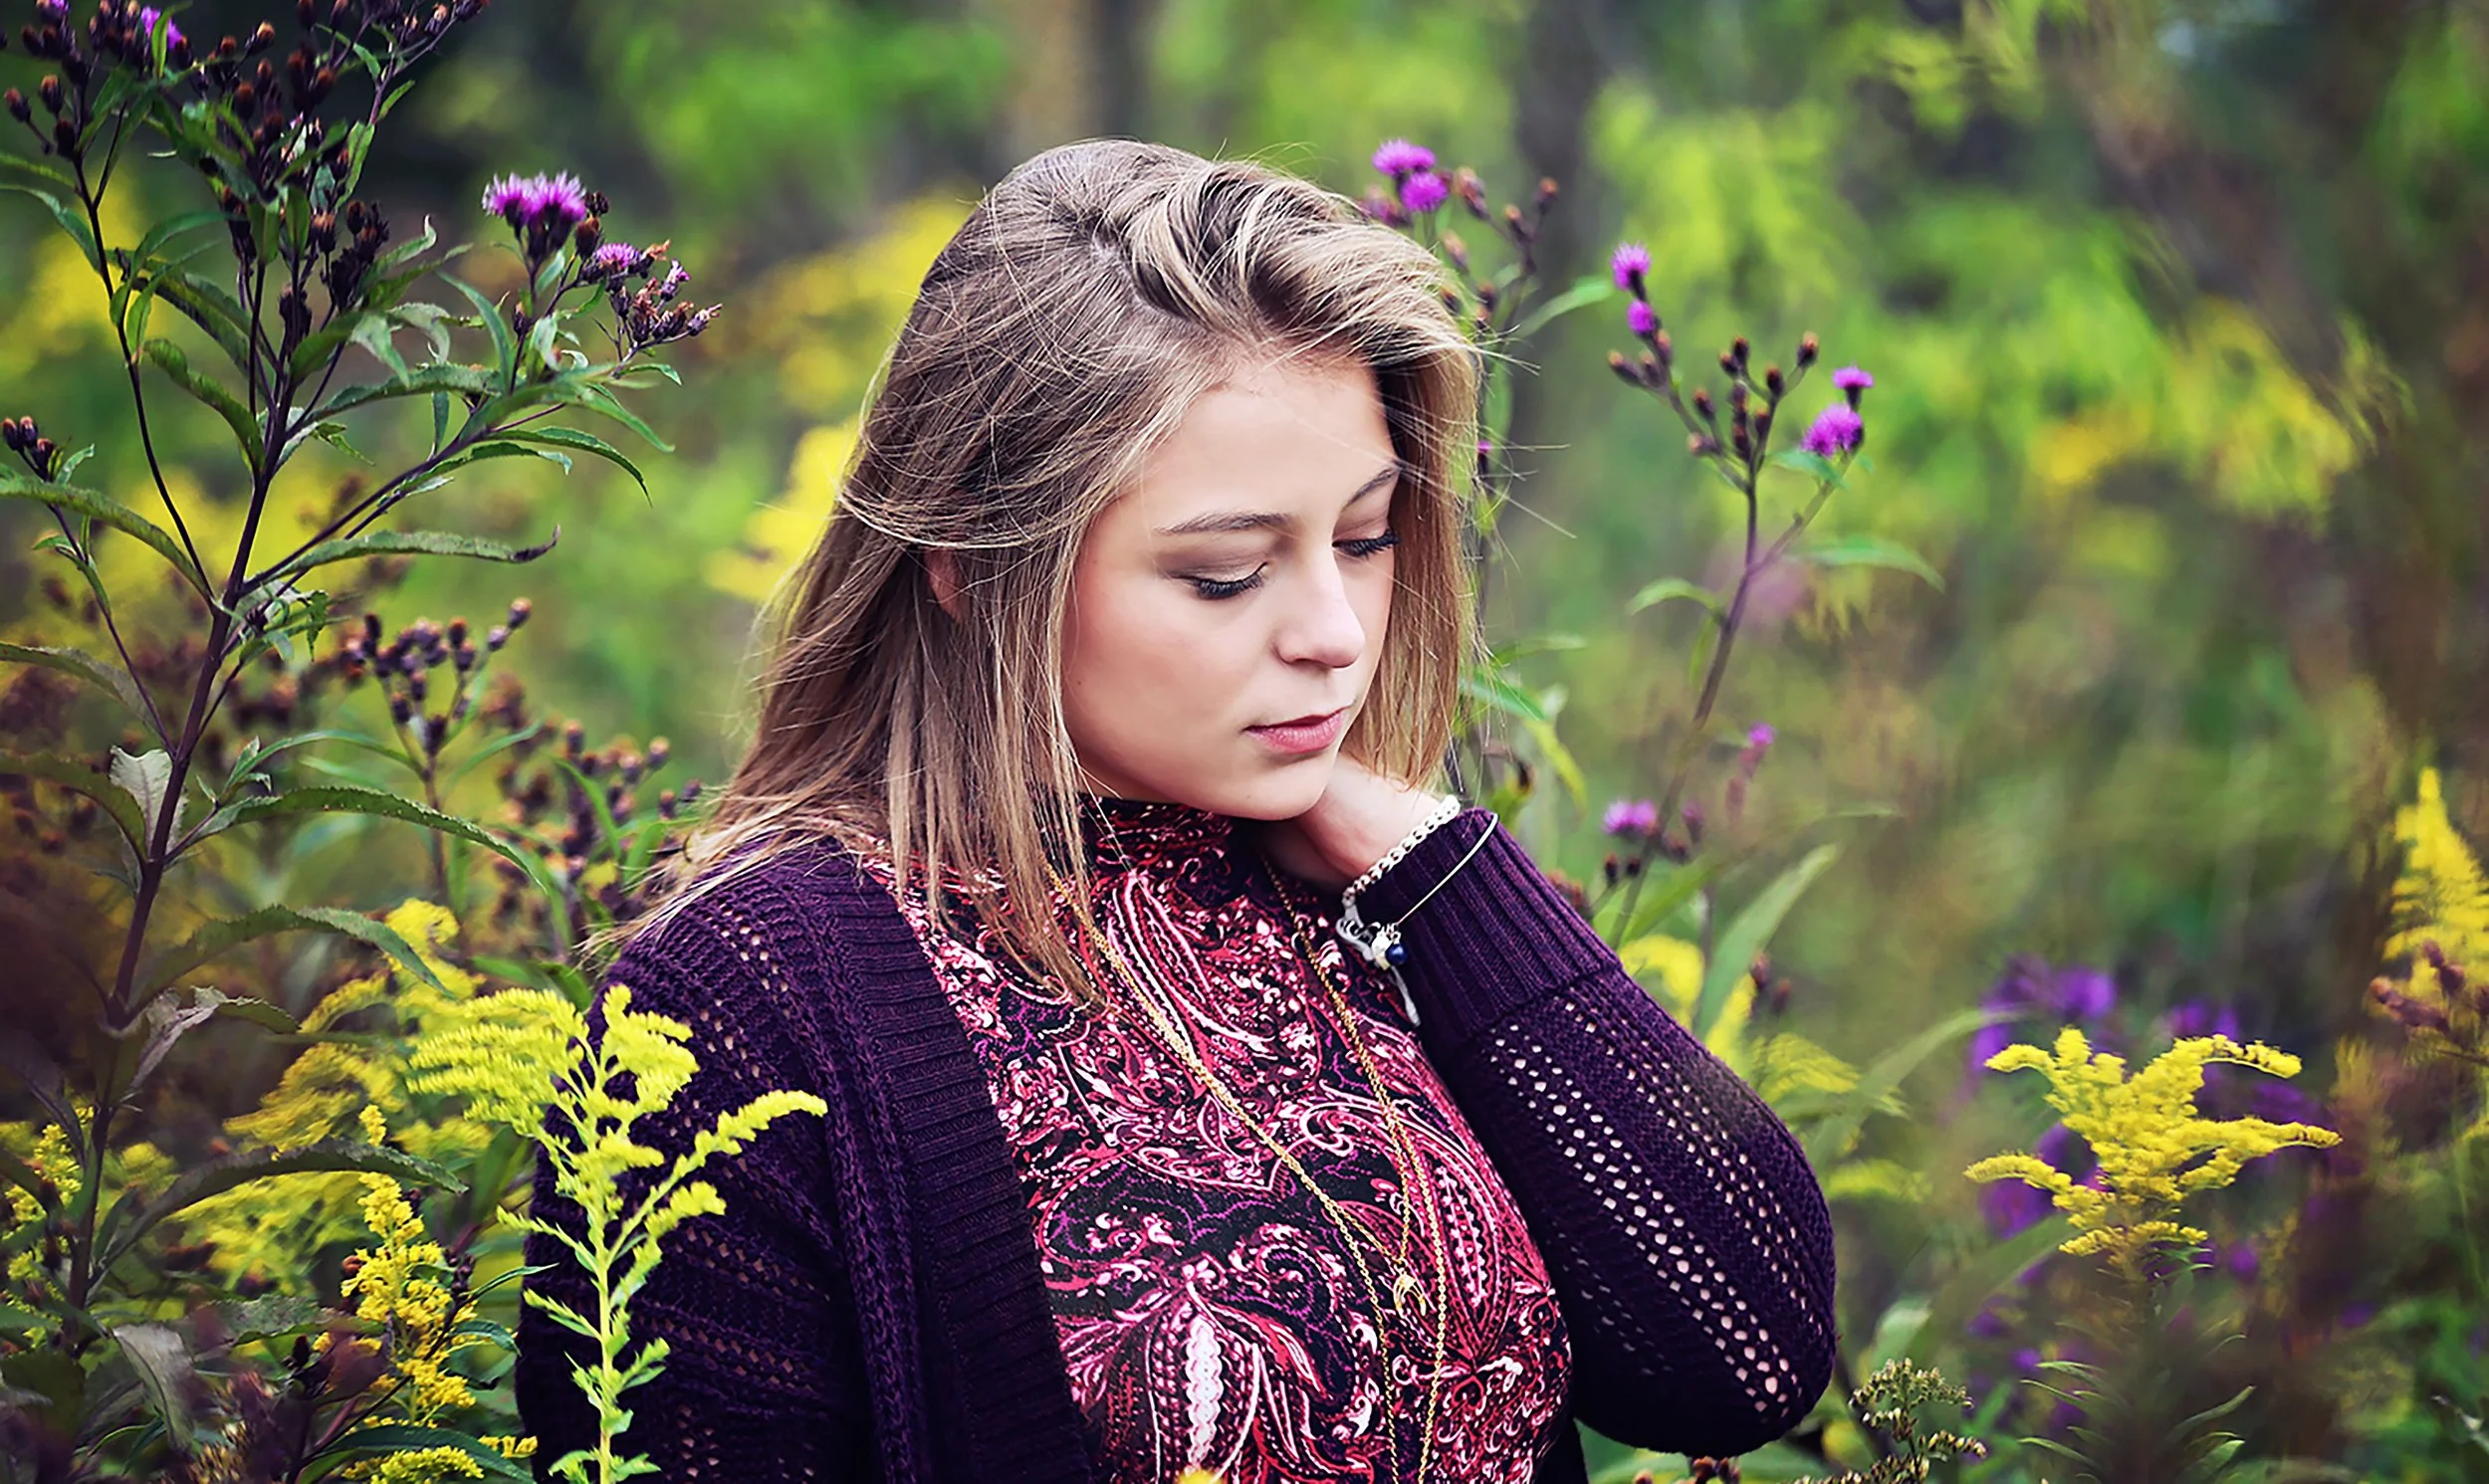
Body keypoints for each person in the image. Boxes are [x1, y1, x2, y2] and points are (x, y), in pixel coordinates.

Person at [514, 139, 1838, 1483]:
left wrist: (1442, 874)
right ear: (975, 564)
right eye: (1223, 573)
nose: (1333, 632)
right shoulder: (750, 1002)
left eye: (1366, 537)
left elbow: (1750, 1354)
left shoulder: (1368, 903)